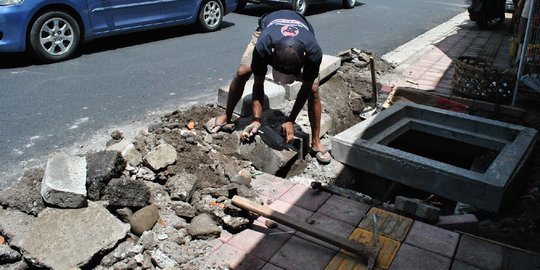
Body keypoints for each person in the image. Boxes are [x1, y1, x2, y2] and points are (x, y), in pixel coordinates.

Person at [204, 10, 331, 164]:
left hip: (301, 32)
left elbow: (305, 89)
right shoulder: (263, 45)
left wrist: (291, 120)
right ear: (272, 53)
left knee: (313, 89)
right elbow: (258, 83)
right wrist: (256, 120)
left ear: (304, 57)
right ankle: (227, 116)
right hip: (267, 27)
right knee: (243, 71)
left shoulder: (313, 52)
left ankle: (316, 142)